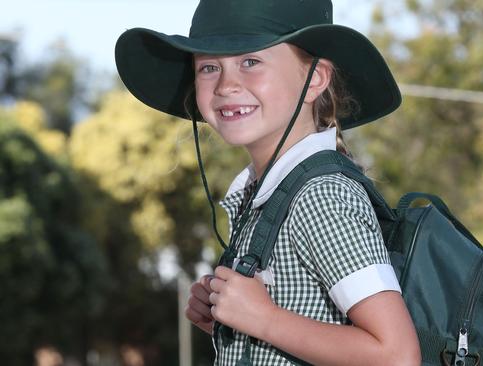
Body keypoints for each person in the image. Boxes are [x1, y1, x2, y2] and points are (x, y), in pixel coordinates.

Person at [115, 0, 420, 365]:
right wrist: (233, 320)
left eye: (250, 62)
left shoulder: (321, 196)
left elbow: (396, 355)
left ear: (315, 79)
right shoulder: (267, 194)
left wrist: (263, 318)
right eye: (209, 67)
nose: (227, 85)